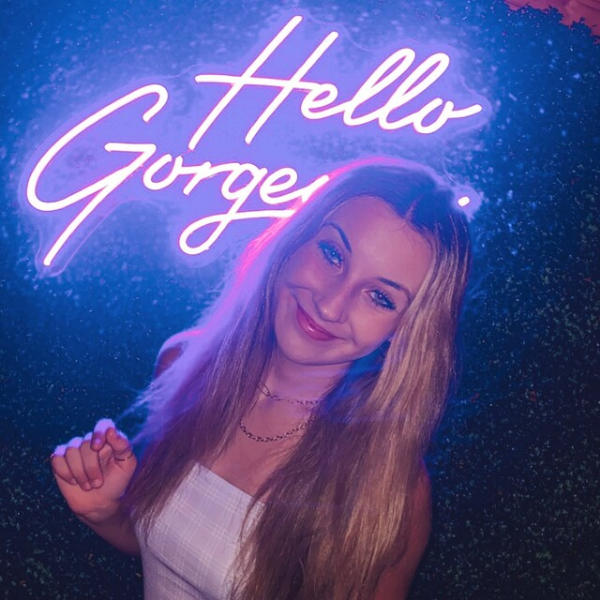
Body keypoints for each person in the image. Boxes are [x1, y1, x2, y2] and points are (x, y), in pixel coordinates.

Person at [50, 158, 472, 600]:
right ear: (295, 239)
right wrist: (104, 513)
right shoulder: (186, 364)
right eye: (332, 254)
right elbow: (173, 553)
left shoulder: (389, 485)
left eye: (380, 297)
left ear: (405, 332)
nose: (331, 305)